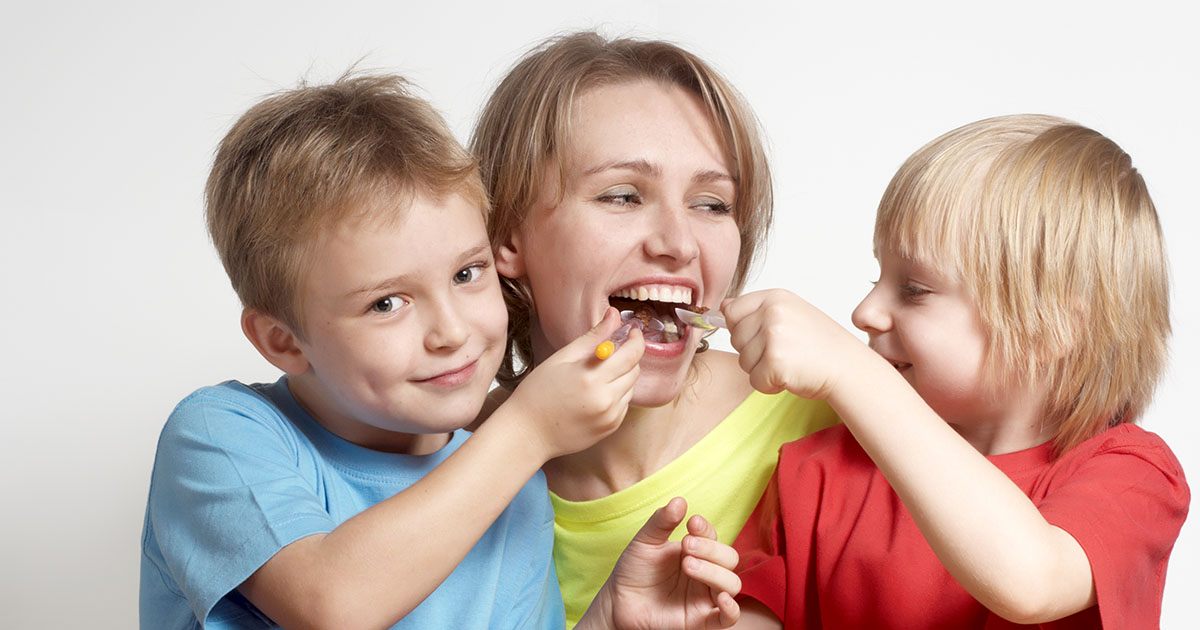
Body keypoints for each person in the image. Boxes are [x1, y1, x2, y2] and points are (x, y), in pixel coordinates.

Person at [140, 72, 743, 629]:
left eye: (466, 274)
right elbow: (330, 605)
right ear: (283, 340)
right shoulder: (222, 434)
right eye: (387, 303)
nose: (451, 332)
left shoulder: (512, 489)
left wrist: (607, 619)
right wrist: (529, 429)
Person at [725, 114, 1191, 628]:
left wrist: (852, 371)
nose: (864, 312)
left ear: (1054, 328)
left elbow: (1032, 582)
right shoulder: (815, 469)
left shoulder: (1132, 476)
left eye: (914, 290)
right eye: (877, 278)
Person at [472, 32, 840, 627]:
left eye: (713, 204)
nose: (678, 243)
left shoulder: (830, 417)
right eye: (622, 196)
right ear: (508, 236)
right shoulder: (446, 472)